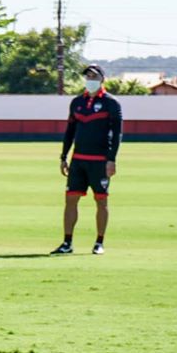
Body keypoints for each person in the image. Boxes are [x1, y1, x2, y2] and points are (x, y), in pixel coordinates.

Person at [51, 64, 122, 255]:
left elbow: (117, 134)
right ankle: (67, 243)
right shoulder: (76, 103)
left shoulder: (111, 103)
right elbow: (70, 131)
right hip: (78, 160)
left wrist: (111, 159)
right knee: (70, 200)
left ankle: (99, 243)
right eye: (88, 76)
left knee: (101, 201)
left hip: (99, 161)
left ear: (102, 79)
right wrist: (64, 156)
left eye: (94, 76)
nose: (90, 79)